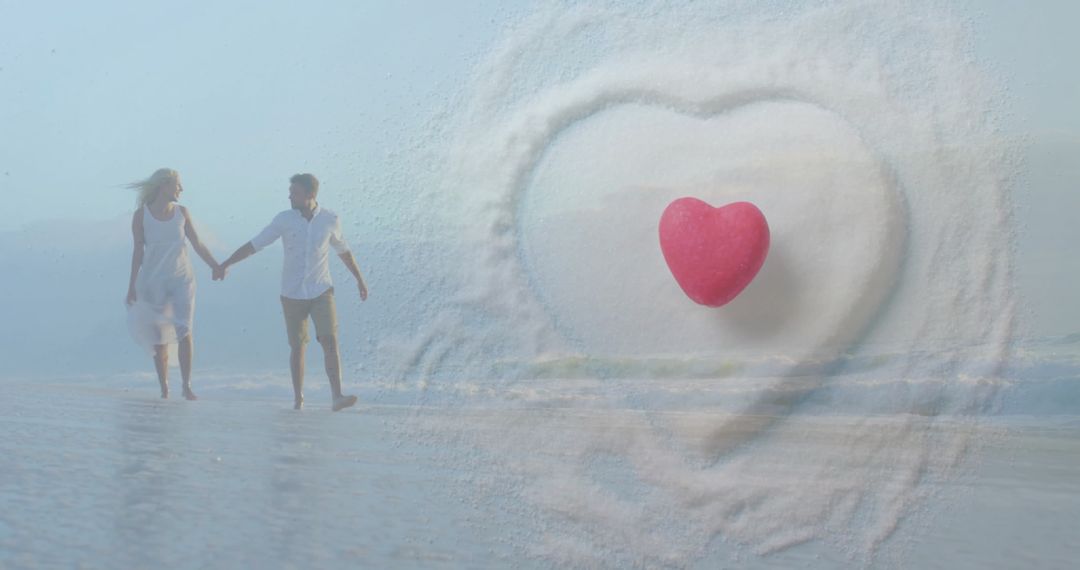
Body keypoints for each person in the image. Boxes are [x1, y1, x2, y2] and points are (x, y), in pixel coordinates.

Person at [216, 173, 368, 411]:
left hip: (321, 290)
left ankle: (337, 396)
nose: (290, 196)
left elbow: (343, 250)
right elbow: (256, 244)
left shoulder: (330, 219)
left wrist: (359, 279)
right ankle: (299, 400)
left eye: (295, 192)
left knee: (330, 340)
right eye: (290, 192)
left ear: (310, 195)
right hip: (291, 293)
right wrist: (226, 263)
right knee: (298, 346)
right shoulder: (284, 219)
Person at [125, 168, 220, 400]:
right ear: (163, 185)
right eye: (178, 184)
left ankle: (187, 386)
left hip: (182, 279)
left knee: (184, 330)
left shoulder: (182, 213)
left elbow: (197, 244)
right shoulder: (141, 216)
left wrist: (215, 265)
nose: (181, 189)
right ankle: (164, 387)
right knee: (159, 339)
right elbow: (138, 251)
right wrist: (131, 285)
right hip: (152, 281)